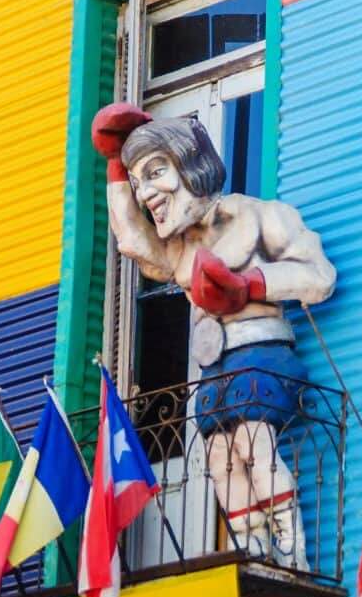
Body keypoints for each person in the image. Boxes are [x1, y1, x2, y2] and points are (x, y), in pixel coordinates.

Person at [91, 106, 335, 567]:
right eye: (140, 183)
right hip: (212, 365)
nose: (147, 194)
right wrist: (114, 169)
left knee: (252, 443)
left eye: (155, 173)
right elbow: (131, 240)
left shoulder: (263, 215)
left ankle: (292, 547)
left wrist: (251, 286)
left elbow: (319, 276)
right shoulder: (178, 248)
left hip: (261, 351)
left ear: (191, 165)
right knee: (220, 456)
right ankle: (252, 546)